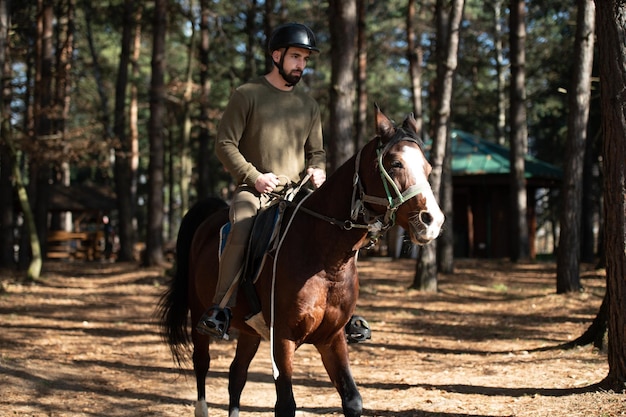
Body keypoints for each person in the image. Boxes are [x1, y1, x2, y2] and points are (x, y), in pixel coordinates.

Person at [196, 22, 327, 339]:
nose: (301, 65)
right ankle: (220, 309)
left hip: (296, 194)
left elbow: (317, 152)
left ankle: (343, 312)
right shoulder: (247, 94)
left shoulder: (309, 105)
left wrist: (318, 169)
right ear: (277, 55)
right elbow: (224, 143)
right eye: (296, 57)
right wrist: (253, 177)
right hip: (253, 192)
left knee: (333, 228)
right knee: (241, 226)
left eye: (305, 59)